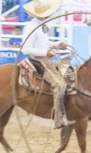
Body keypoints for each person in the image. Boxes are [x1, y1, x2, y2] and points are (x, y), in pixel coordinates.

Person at [22, 0, 74, 129]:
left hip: (46, 60)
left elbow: (44, 42)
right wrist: (46, 52)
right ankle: (58, 120)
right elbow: (25, 49)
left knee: (67, 77)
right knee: (60, 85)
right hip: (39, 61)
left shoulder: (41, 25)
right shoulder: (31, 27)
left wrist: (56, 45)